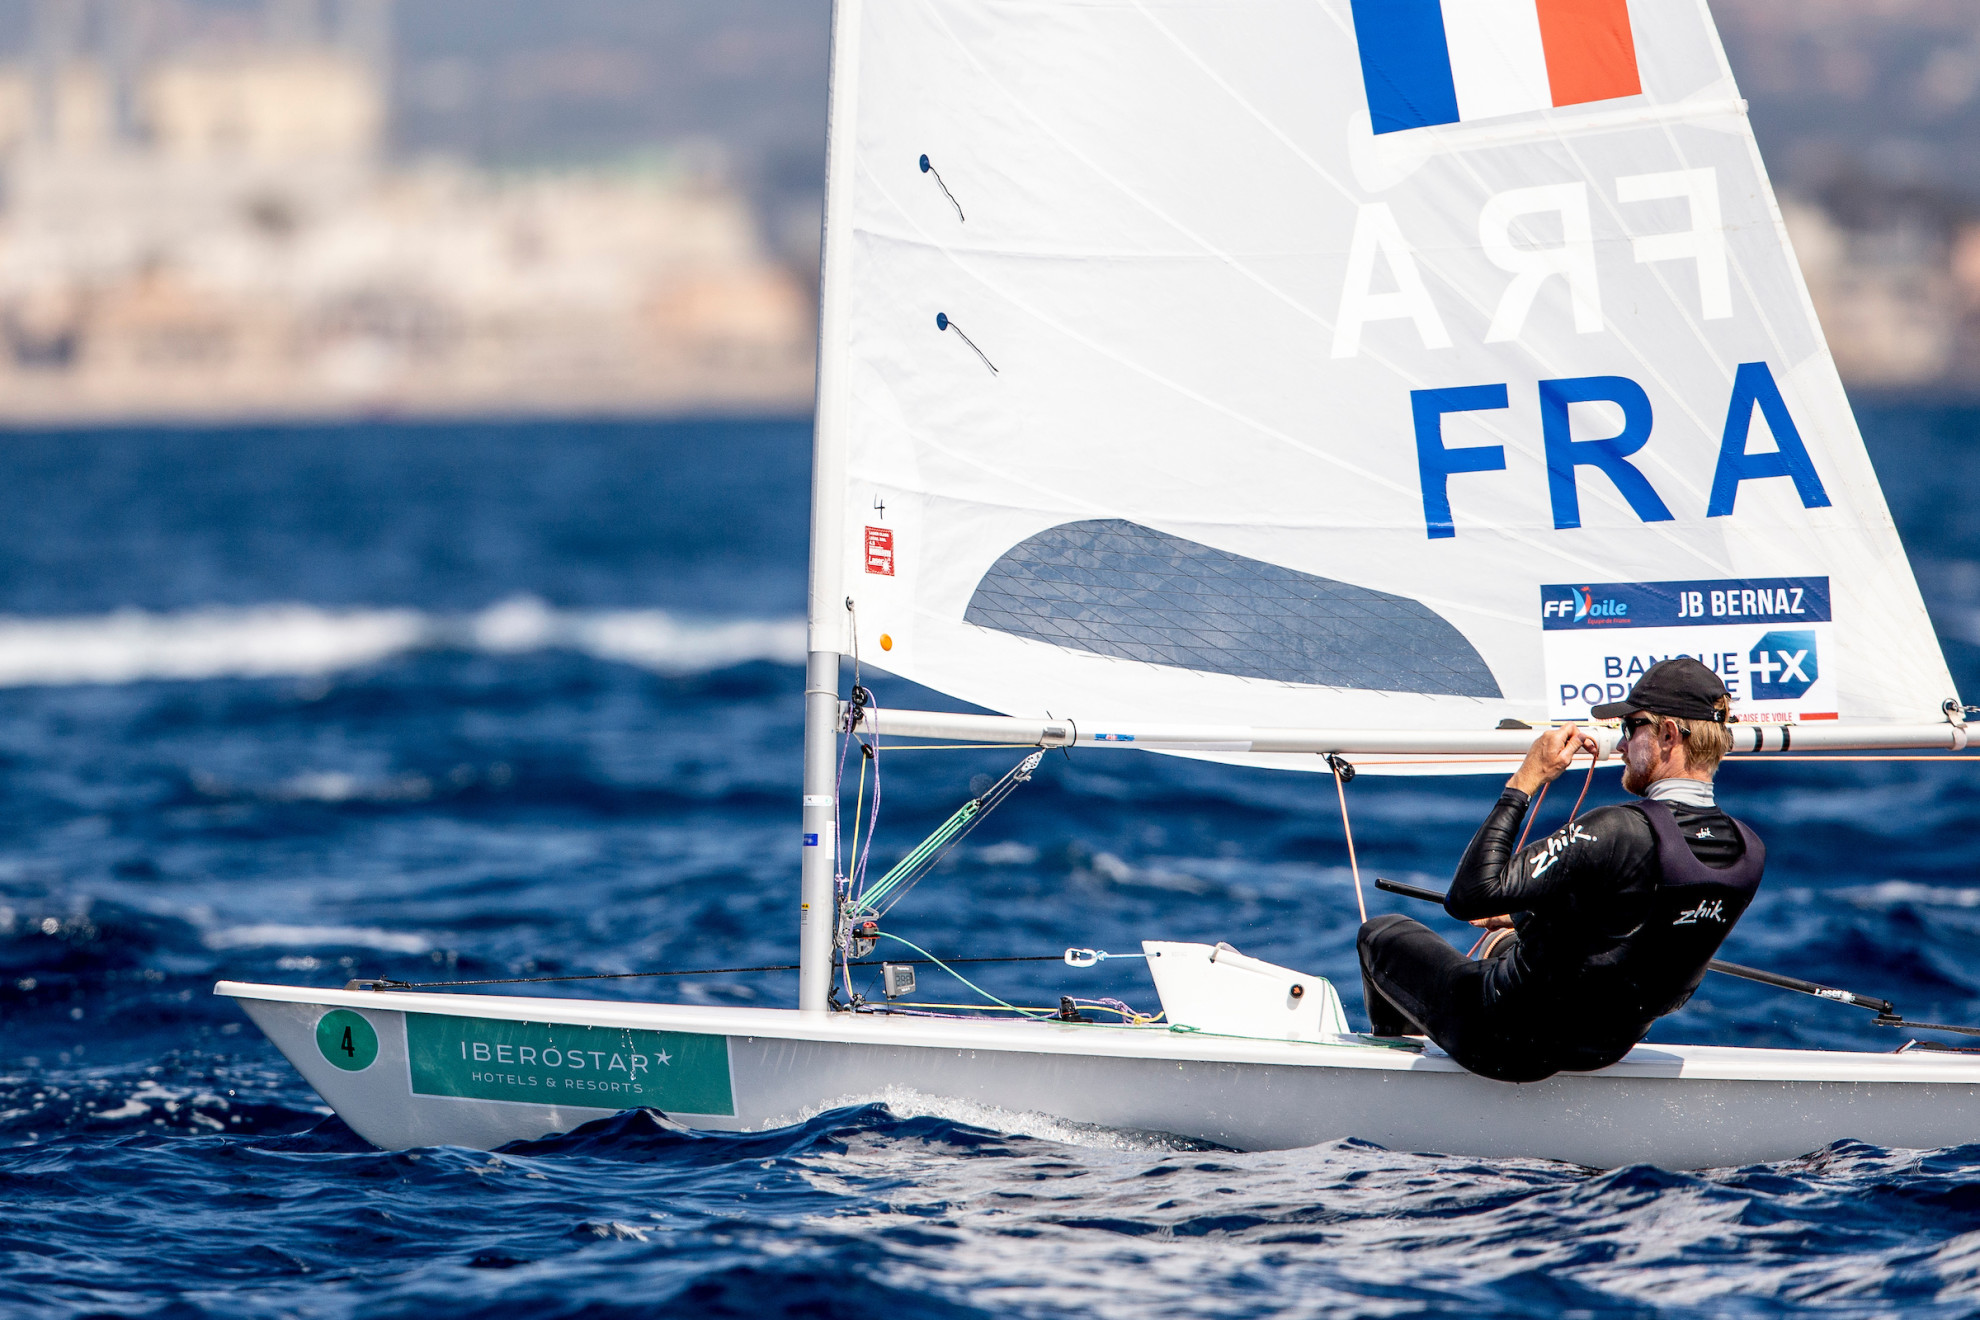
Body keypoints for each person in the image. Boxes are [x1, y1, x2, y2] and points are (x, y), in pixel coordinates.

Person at [1357, 657, 1766, 1083]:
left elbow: (1469, 896)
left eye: (1630, 728)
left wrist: (1527, 777)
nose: (1621, 745)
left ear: (1667, 734)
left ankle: (1397, 1076)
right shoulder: (1749, 851)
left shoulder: (1617, 829)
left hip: (1502, 1040)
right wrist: (1525, 916)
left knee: (1380, 934)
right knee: (1501, 942)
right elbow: (1636, 932)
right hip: (1604, 1046)